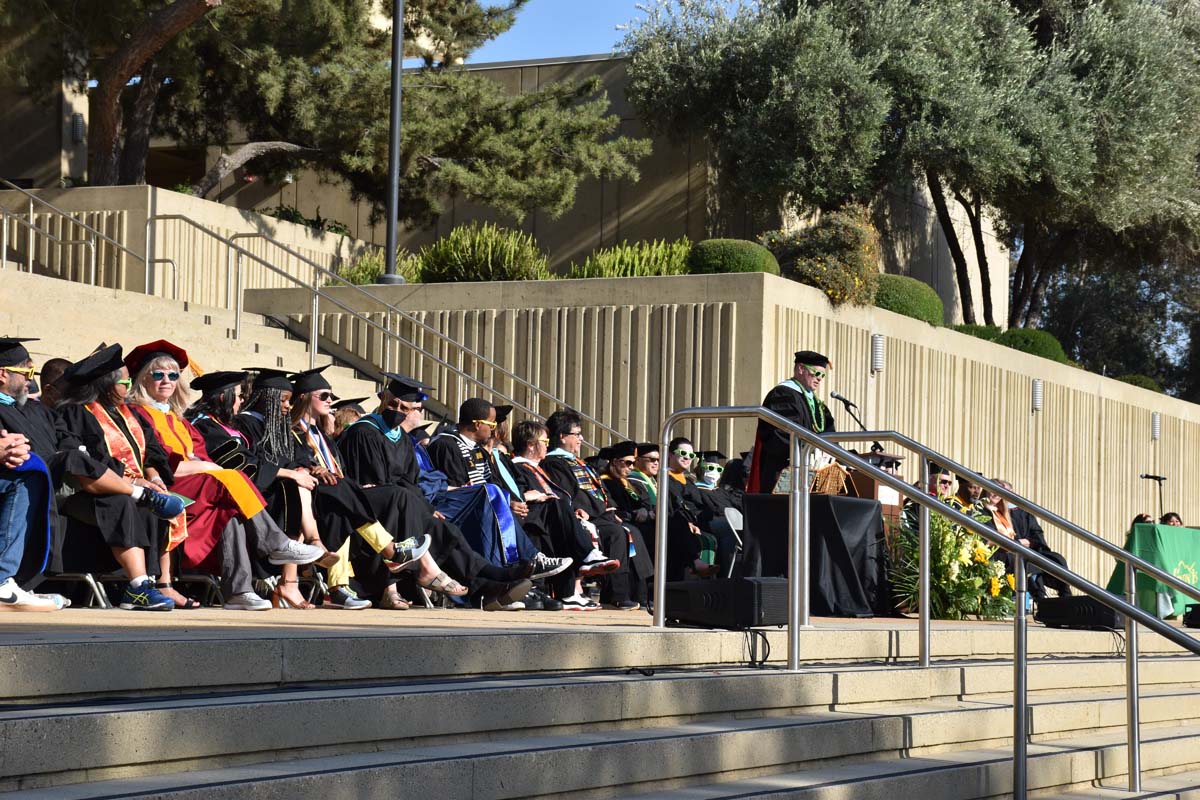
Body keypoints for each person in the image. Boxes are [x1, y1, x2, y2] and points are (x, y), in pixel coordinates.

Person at [122, 340, 331, 610]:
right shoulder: (137, 414)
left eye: (173, 375)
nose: (166, 381)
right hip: (164, 482)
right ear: (142, 379)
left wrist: (206, 467)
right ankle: (276, 543)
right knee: (231, 478)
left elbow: (202, 456)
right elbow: (156, 460)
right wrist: (207, 468)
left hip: (197, 481)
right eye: (158, 374)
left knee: (228, 512)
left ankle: (238, 592)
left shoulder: (179, 418)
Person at [332, 374, 536, 611]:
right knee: (404, 499)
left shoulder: (404, 440)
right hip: (366, 506)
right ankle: (422, 576)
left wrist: (427, 508)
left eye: (405, 408)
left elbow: (411, 482)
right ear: (383, 399)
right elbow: (374, 482)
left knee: (442, 526)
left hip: (400, 504)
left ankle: (488, 584)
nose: (398, 411)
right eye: (393, 404)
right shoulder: (364, 432)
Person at [425, 397, 572, 582]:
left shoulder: (477, 450)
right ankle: (525, 566)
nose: (494, 428)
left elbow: (492, 482)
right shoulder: (446, 444)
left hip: (480, 504)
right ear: (478, 424)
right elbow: (458, 487)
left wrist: (509, 502)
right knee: (499, 506)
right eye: (491, 424)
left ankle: (524, 580)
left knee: (532, 513)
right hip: (454, 508)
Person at [541, 408, 652, 610]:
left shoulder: (577, 462)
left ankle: (636, 593)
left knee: (630, 531)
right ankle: (617, 595)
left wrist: (610, 508)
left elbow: (600, 490)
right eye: (577, 434)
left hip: (599, 513)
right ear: (562, 436)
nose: (581, 439)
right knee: (617, 533)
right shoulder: (554, 463)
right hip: (583, 516)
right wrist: (601, 511)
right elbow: (571, 494)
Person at [748, 350, 836, 493]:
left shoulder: (817, 404)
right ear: (801, 369)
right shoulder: (783, 394)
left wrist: (828, 452)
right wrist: (812, 451)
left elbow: (829, 432)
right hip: (783, 472)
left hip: (812, 474)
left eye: (823, 375)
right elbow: (781, 435)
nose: (820, 379)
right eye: (816, 373)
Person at [985, 479, 1072, 599]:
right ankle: (1040, 597)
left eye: (1003, 492)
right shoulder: (987, 512)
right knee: (1028, 564)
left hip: (1025, 550)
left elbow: (1037, 535)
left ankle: (1065, 597)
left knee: (1057, 559)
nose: (999, 495)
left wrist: (1029, 542)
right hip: (1005, 554)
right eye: (994, 490)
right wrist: (1019, 543)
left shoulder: (1022, 514)